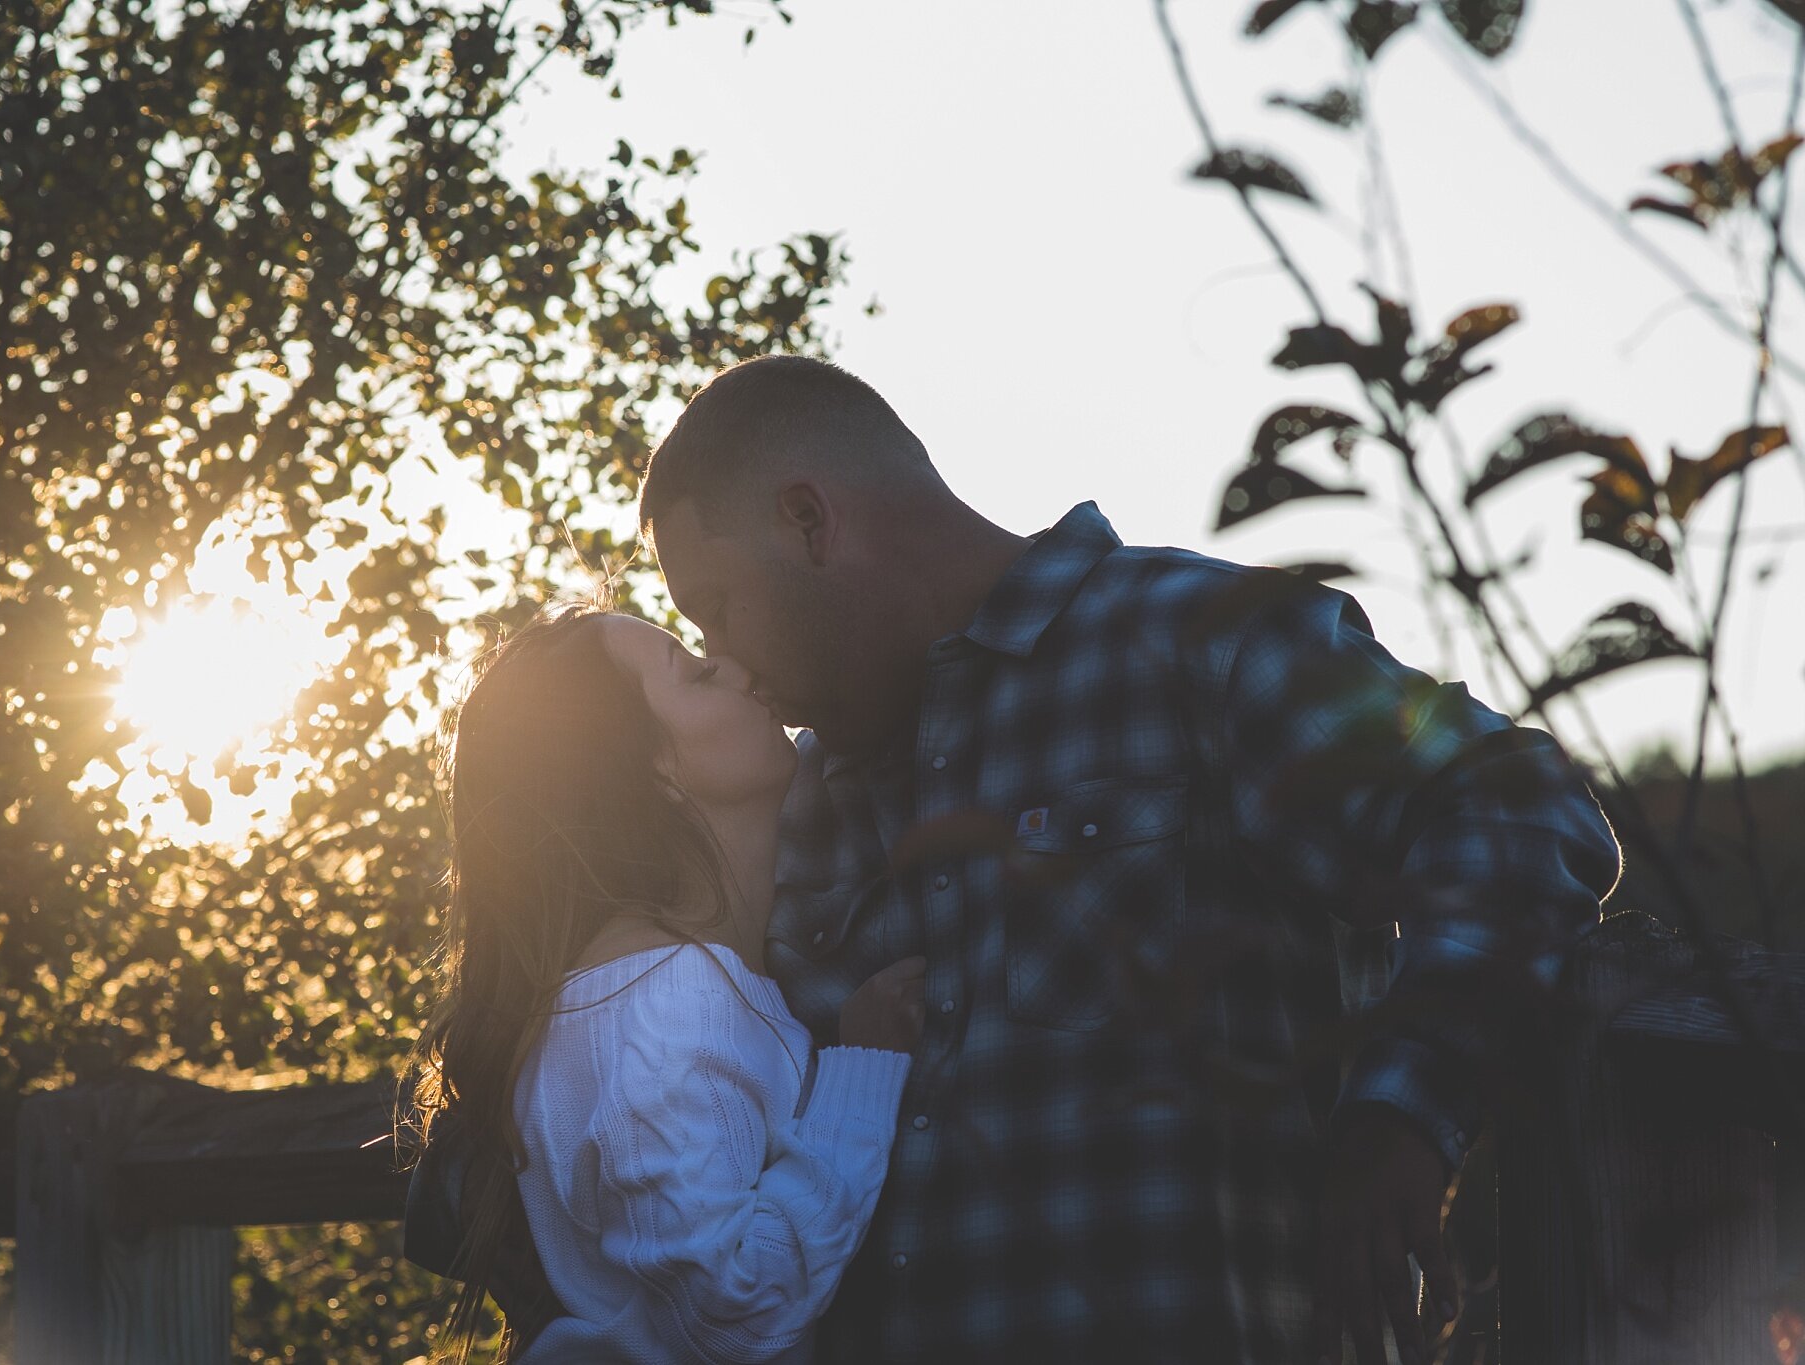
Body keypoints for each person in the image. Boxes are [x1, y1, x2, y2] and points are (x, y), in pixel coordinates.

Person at [629, 355, 1623, 1364]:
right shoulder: (796, 808)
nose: (732, 662)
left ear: (808, 520)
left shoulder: (1195, 641)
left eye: (717, 605)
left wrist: (1400, 1122)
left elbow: (1516, 810)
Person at [400, 604, 929, 1364]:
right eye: (698, 672)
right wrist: (863, 1072)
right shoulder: (660, 1005)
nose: (741, 666)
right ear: (651, 774)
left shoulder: (656, 991)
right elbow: (732, 1317)